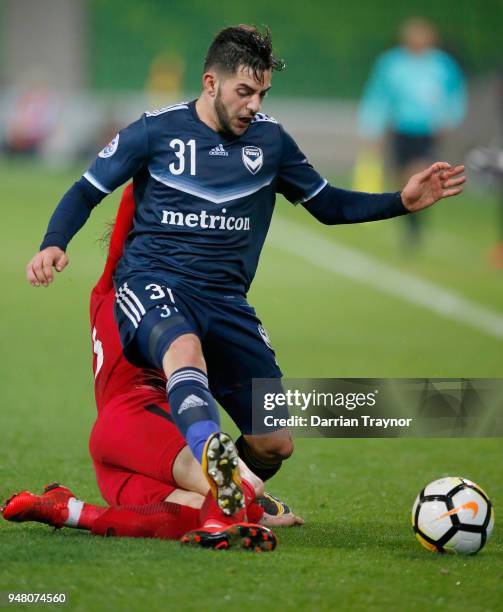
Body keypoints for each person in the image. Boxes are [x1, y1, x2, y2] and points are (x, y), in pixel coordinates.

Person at [26, 25, 466, 515]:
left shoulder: (272, 142)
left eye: (261, 94)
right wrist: (53, 244)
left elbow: (326, 203)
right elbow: (87, 189)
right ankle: (210, 453)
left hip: (227, 302)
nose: (254, 104)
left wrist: (400, 202)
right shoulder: (155, 131)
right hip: (154, 283)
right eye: (244, 92)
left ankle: (226, 488)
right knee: (182, 348)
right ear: (210, 83)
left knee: (275, 440)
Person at [4, 185, 303, 551]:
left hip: (118, 447)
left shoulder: (143, 298)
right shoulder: (129, 286)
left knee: (185, 513)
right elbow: (132, 214)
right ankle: (236, 513)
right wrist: (167, 152)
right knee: (237, 483)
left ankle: (66, 509)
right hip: (141, 418)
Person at [358, 17, 466, 246]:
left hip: (427, 130)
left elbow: (455, 94)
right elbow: (378, 96)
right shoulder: (391, 64)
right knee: (402, 177)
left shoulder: (442, 65)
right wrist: (372, 126)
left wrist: (449, 118)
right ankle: (411, 219)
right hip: (400, 128)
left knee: (420, 170)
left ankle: (417, 223)